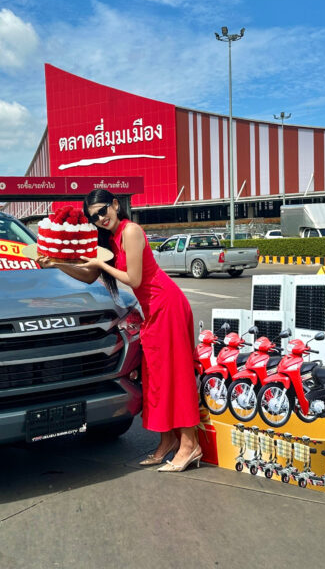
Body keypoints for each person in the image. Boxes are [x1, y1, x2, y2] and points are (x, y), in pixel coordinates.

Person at [37, 190, 202, 472]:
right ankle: (168, 441)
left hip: (168, 305)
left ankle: (190, 445)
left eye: (103, 211)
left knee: (175, 374)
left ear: (115, 204)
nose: (101, 219)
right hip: (153, 309)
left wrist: (101, 263)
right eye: (94, 217)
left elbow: (133, 279)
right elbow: (89, 276)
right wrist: (56, 264)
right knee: (155, 377)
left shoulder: (131, 231)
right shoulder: (110, 239)